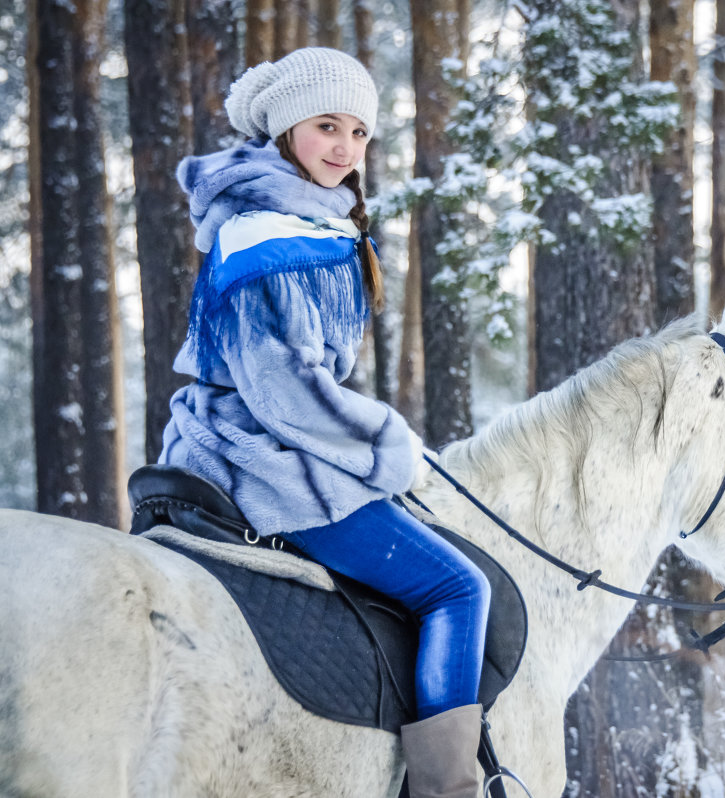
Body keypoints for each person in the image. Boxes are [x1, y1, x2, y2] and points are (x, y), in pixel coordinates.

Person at [160, 47, 490, 798]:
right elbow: (286, 391)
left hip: (262, 444)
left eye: (359, 133)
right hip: (261, 459)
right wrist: (388, 447)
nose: (344, 148)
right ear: (285, 131)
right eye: (326, 127)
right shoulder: (268, 235)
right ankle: (449, 791)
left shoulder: (305, 219)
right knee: (458, 589)